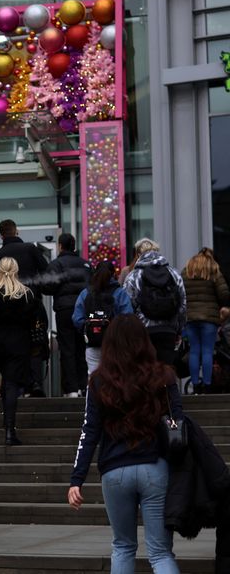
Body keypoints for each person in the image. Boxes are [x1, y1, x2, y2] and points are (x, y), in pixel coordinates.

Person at [68, 314, 182, 573]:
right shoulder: (163, 376)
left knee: (122, 546)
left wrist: (77, 479)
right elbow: (178, 421)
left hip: (115, 469)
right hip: (155, 466)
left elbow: (90, 431)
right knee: (160, 552)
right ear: (144, 341)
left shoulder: (99, 381)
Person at [0, 257, 40, 446]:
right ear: (16, 270)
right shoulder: (26, 294)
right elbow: (33, 320)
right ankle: (9, 430)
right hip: (19, 341)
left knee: (5, 382)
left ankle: (7, 427)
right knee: (12, 385)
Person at [0, 219, 48, 395]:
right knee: (36, 343)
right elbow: (46, 270)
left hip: (9, 307)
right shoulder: (30, 249)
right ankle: (36, 383)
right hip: (33, 303)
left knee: (17, 345)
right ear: (17, 231)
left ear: (1, 235)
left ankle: (21, 385)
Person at [41, 234, 92, 397]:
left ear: (60, 246)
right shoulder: (86, 265)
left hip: (65, 310)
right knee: (82, 348)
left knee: (67, 349)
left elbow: (47, 286)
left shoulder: (57, 264)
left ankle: (71, 388)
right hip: (84, 310)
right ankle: (84, 385)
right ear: (74, 246)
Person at [123, 239, 186, 365]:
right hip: (168, 329)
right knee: (166, 371)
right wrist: (179, 329)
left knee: (144, 371)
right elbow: (182, 305)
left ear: (138, 254)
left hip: (143, 331)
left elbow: (128, 306)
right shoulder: (174, 274)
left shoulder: (133, 276)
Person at [181, 247, 230, 393]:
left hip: (190, 318)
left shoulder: (187, 270)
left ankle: (196, 385)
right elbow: (224, 293)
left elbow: (180, 291)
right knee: (208, 351)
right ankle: (208, 385)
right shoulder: (213, 269)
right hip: (209, 318)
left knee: (195, 351)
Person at [73, 261, 134, 374]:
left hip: (92, 343)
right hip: (115, 343)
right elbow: (128, 317)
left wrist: (87, 329)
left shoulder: (86, 293)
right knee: (115, 377)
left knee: (93, 377)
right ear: (113, 275)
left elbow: (77, 318)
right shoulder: (120, 293)